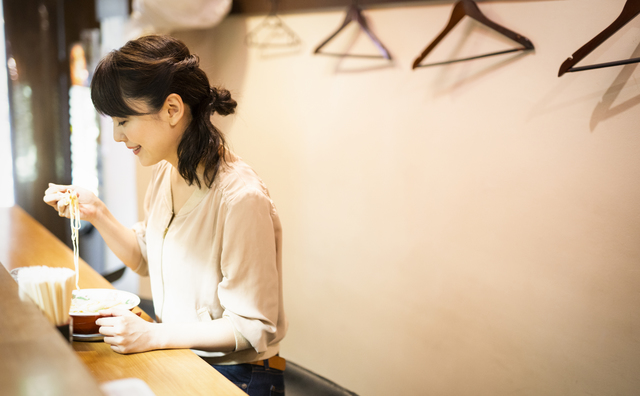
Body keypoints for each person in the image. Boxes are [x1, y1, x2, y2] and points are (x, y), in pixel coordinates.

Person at [43, 34, 287, 395]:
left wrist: (153, 334)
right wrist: (94, 210)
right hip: (182, 356)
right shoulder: (166, 171)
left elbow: (251, 326)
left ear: (172, 109)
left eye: (123, 120)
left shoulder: (240, 199)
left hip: (239, 376)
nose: (116, 136)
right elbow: (144, 259)